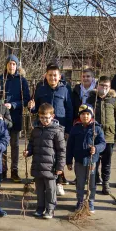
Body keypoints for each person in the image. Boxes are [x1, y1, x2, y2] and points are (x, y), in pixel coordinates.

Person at [28, 63, 73, 196]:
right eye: (50, 75)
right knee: (42, 154)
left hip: (60, 128)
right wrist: (31, 107)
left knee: (58, 155)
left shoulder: (65, 89)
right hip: (42, 128)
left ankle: (58, 182)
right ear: (46, 76)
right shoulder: (40, 88)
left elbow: (69, 110)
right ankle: (40, 182)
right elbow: (35, 109)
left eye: (55, 75)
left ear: (59, 76)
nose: (52, 78)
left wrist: (68, 129)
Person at [23, 103, 66, 219]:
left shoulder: (57, 131)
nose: (44, 120)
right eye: (42, 118)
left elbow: (61, 150)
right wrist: (28, 152)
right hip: (37, 165)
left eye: (47, 118)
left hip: (51, 167)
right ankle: (40, 207)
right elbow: (32, 144)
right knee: (39, 189)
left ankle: (50, 209)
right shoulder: (35, 130)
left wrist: (60, 167)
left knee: (51, 189)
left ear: (52, 116)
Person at [66, 104, 106, 213]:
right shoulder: (75, 128)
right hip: (79, 161)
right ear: (79, 115)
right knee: (80, 182)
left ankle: (90, 201)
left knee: (91, 183)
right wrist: (69, 161)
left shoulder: (96, 128)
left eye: (88, 114)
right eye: (83, 114)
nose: (85, 116)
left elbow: (103, 143)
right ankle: (80, 201)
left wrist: (96, 148)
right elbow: (69, 146)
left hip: (92, 161)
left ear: (91, 115)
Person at [86, 76, 116, 195]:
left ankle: (105, 183)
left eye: (107, 86)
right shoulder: (91, 99)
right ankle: (95, 179)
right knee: (94, 159)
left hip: (109, 136)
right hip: (94, 136)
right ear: (97, 86)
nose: (104, 88)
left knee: (107, 161)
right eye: (102, 85)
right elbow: (85, 116)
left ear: (109, 87)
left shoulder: (113, 101)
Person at [0, 54, 30, 182]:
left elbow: (26, 99)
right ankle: (3, 169)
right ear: (6, 65)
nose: (11, 66)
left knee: (15, 144)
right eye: (9, 63)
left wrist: (14, 105)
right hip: (2, 116)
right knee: (3, 143)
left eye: (14, 64)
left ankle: (15, 170)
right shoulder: (0, 79)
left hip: (15, 116)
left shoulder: (22, 81)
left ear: (17, 66)